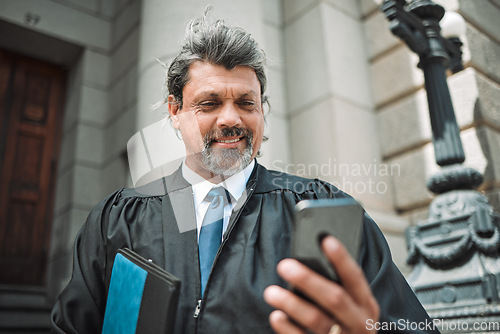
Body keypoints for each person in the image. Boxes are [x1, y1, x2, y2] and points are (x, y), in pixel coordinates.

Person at [51, 12, 440, 334]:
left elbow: (404, 325)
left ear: (262, 110)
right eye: (210, 103)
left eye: (246, 103)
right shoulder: (117, 221)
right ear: (175, 112)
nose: (232, 119)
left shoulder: (323, 211)